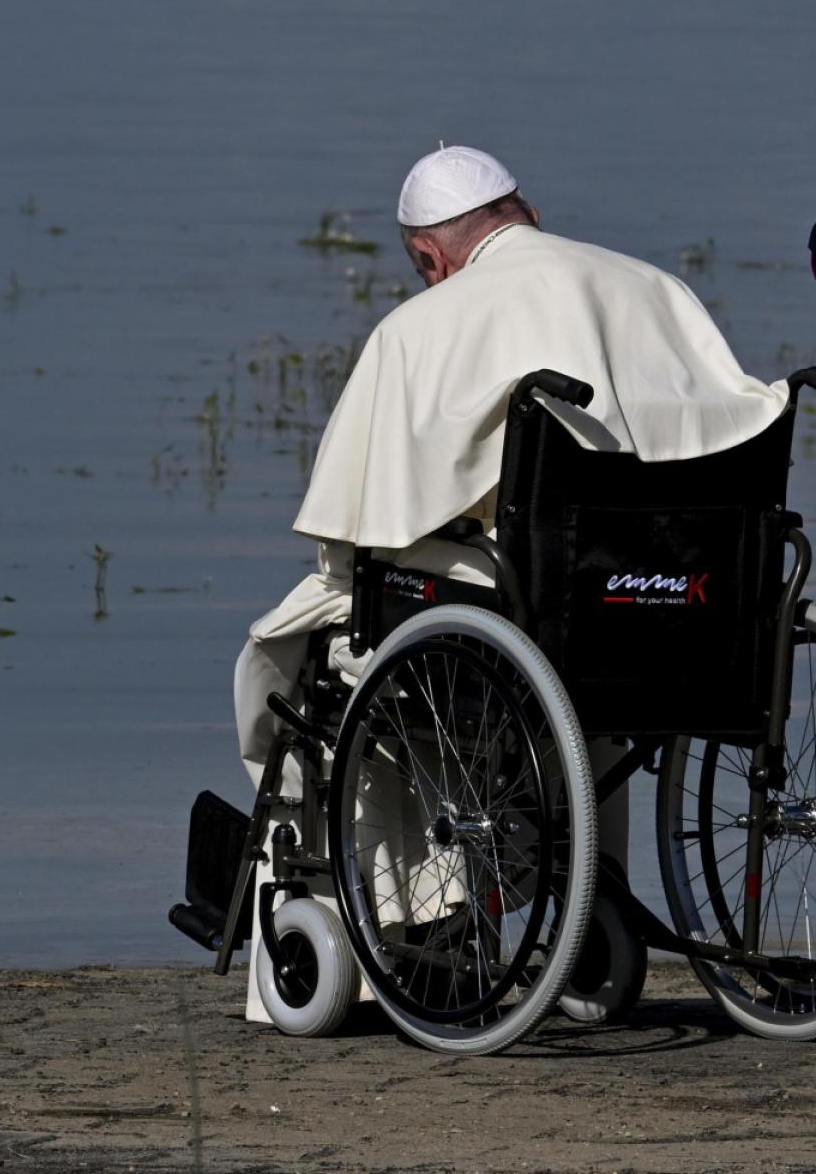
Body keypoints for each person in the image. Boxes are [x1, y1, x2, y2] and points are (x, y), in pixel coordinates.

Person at [232, 145, 790, 1019]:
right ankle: (559, 880)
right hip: (679, 615)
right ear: (521, 211)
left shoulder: (426, 327)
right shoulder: (653, 292)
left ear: (428, 256)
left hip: (532, 622)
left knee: (309, 648)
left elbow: (353, 539)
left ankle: (418, 911)